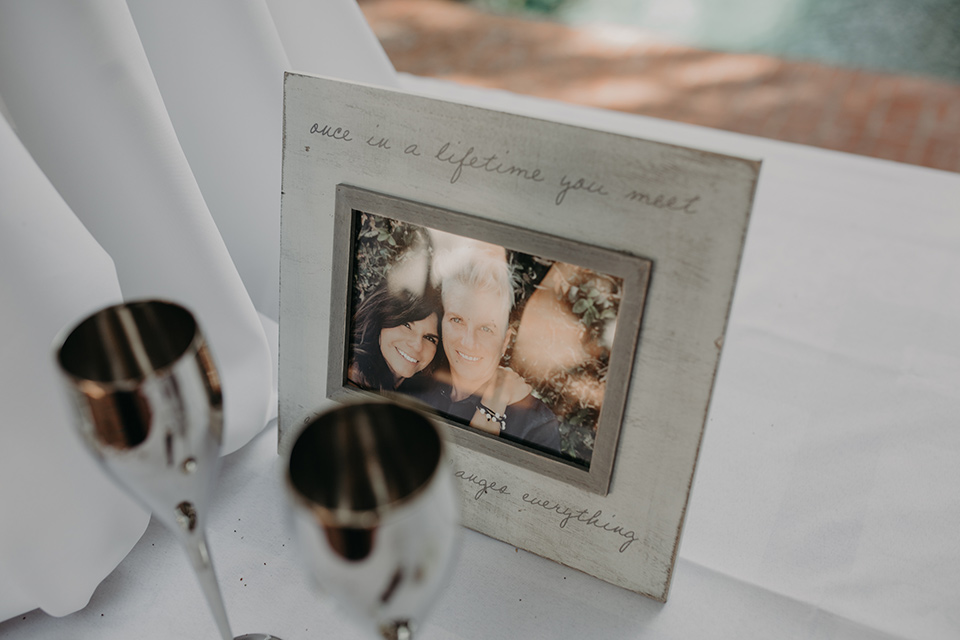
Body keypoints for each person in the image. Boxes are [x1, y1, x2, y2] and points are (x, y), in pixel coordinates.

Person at [408, 248, 562, 456]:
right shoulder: (412, 378)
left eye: (486, 329)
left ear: (505, 340)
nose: (468, 342)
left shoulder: (536, 427)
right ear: (442, 322)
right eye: (457, 320)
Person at [347, 283, 442, 391]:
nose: (417, 346)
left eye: (430, 338)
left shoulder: (425, 392)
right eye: (407, 326)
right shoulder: (352, 381)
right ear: (379, 321)